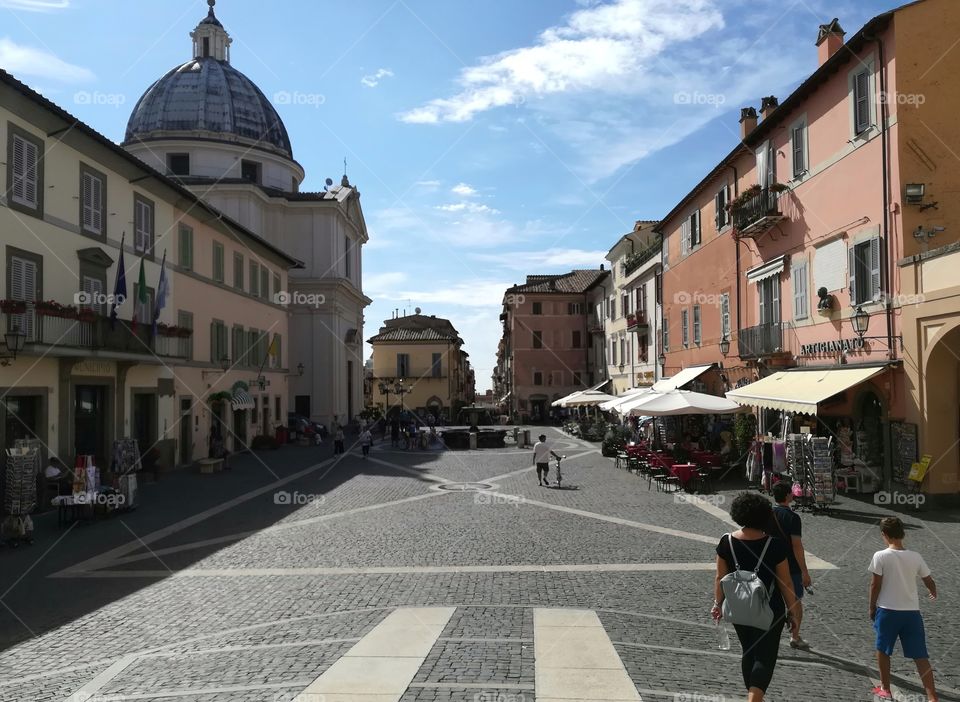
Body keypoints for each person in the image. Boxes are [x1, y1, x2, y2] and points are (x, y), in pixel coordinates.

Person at [713, 492, 799, 702]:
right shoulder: (775, 545)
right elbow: (785, 583)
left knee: (748, 652)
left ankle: (753, 695)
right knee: (765, 656)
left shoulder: (726, 542)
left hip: (738, 607)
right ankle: (754, 698)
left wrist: (717, 604)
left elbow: (720, 578)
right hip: (771, 609)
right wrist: (794, 612)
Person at [868, 517, 938, 701]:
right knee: (921, 656)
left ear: (884, 535)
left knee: (883, 651)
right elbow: (929, 581)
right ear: (902, 533)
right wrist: (933, 592)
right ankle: (932, 696)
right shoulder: (916, 556)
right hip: (911, 613)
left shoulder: (880, 556)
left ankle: (885, 689)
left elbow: (875, 585)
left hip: (887, 611)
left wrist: (871, 608)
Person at [769, 482, 812, 650]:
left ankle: (769, 638)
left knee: (771, 602)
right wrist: (805, 572)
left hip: (770, 565)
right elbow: (797, 546)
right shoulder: (793, 518)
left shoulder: (768, 515)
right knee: (794, 603)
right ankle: (795, 637)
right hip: (791, 567)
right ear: (788, 495)